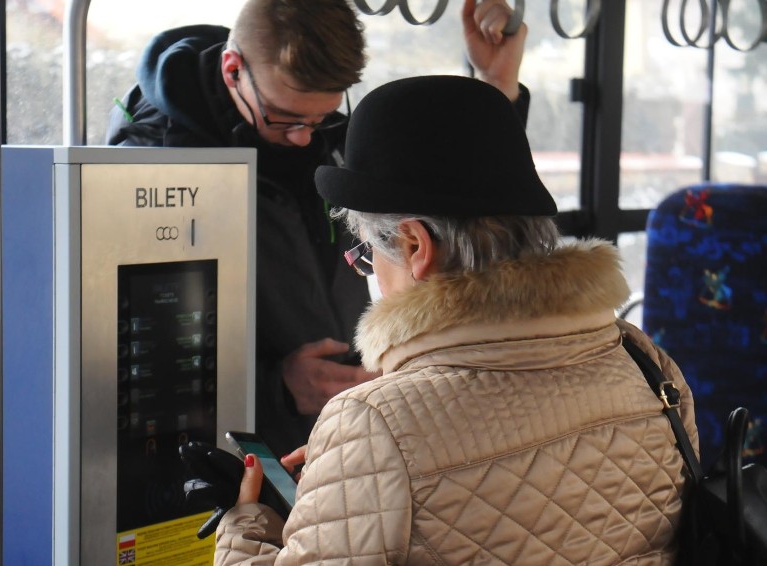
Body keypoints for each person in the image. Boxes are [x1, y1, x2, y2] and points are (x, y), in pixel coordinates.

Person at [212, 75, 700, 564]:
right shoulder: (644, 361)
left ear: (414, 246)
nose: (370, 271)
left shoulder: (375, 421)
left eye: (366, 254)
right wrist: (350, 482)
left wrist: (243, 521)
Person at [107, 0, 531, 457]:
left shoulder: (331, 136)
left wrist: (496, 90)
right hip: (232, 451)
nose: (304, 137)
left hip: (338, 429)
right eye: (285, 118)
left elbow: (451, 211)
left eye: (321, 117)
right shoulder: (152, 161)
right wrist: (275, 389)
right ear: (233, 69)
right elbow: (137, 363)